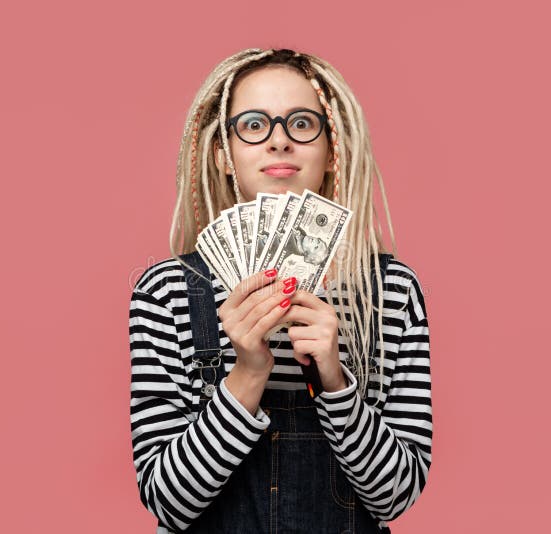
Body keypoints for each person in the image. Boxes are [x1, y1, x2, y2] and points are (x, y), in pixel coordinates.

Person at [129, 48, 432, 533]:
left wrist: (335, 381)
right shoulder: (166, 293)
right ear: (224, 156)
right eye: (253, 125)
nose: (278, 142)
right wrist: (248, 374)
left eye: (301, 123)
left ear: (333, 151)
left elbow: (394, 496)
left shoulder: (391, 292)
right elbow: (168, 501)